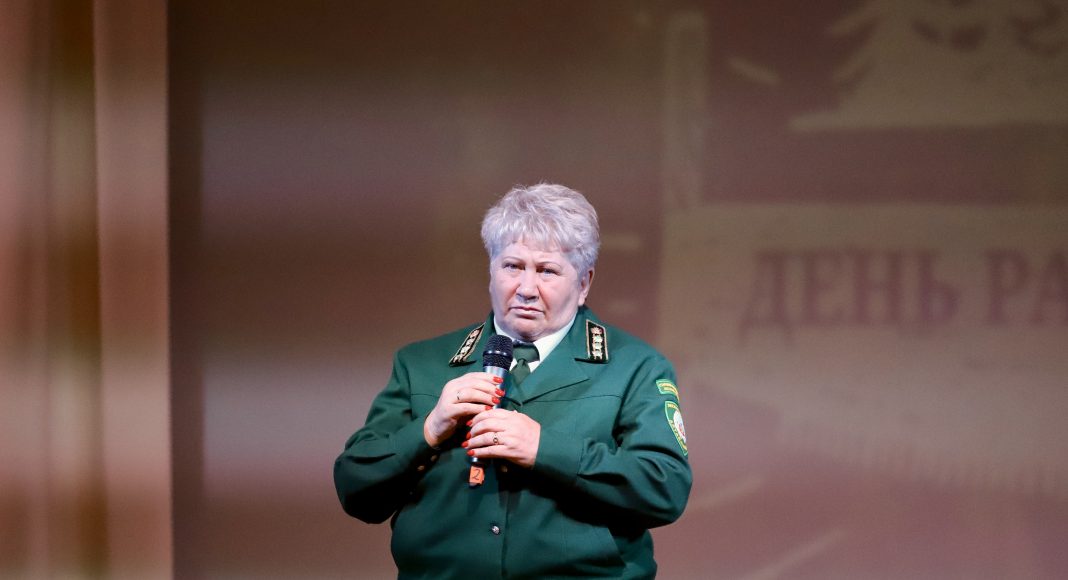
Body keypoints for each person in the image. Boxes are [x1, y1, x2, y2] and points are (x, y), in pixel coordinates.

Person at [334, 183, 691, 579]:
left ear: (584, 283)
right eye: (512, 266)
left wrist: (544, 448)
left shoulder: (634, 366)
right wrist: (429, 430)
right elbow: (356, 488)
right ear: (491, 271)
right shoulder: (422, 364)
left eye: (547, 271)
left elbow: (665, 489)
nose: (526, 289)